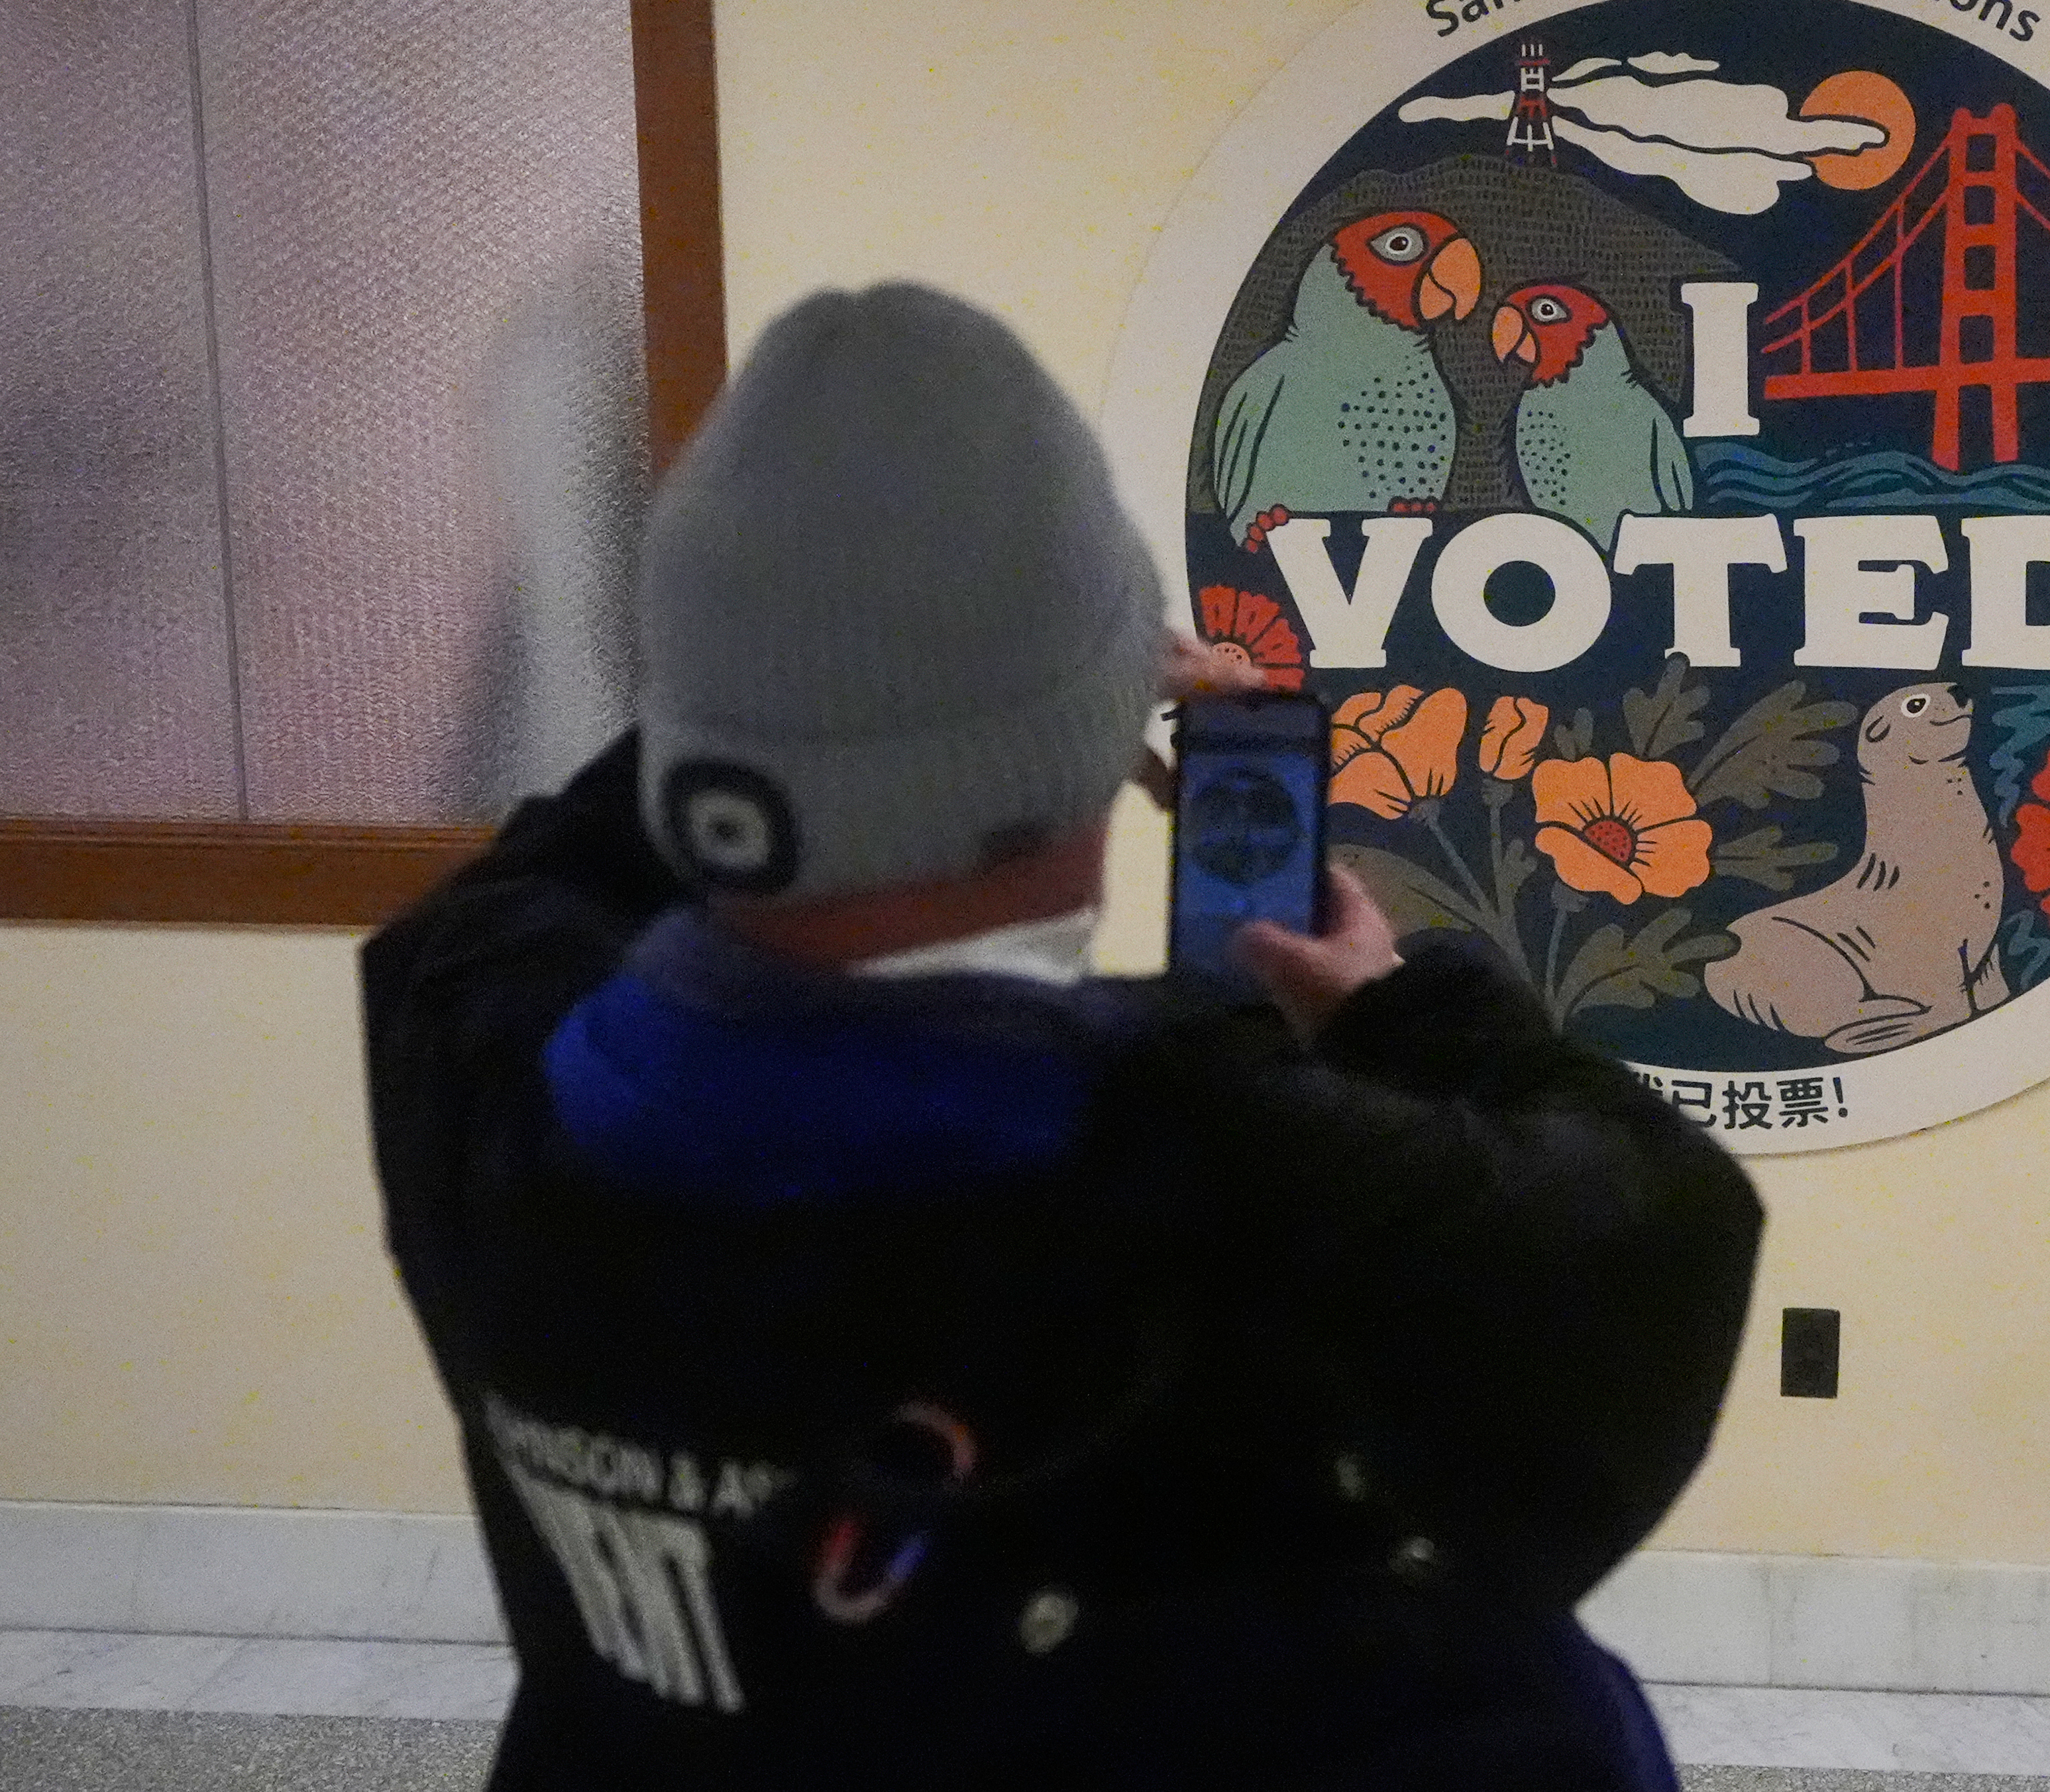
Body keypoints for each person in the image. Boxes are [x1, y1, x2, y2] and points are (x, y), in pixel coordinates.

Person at [360, 284, 1764, 1789]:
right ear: (1094, 745)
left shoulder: (475, 1049)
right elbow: (1656, 1227)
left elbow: (530, 878)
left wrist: (818, 698)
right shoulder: (1247, 1181)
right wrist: (1394, 1004)